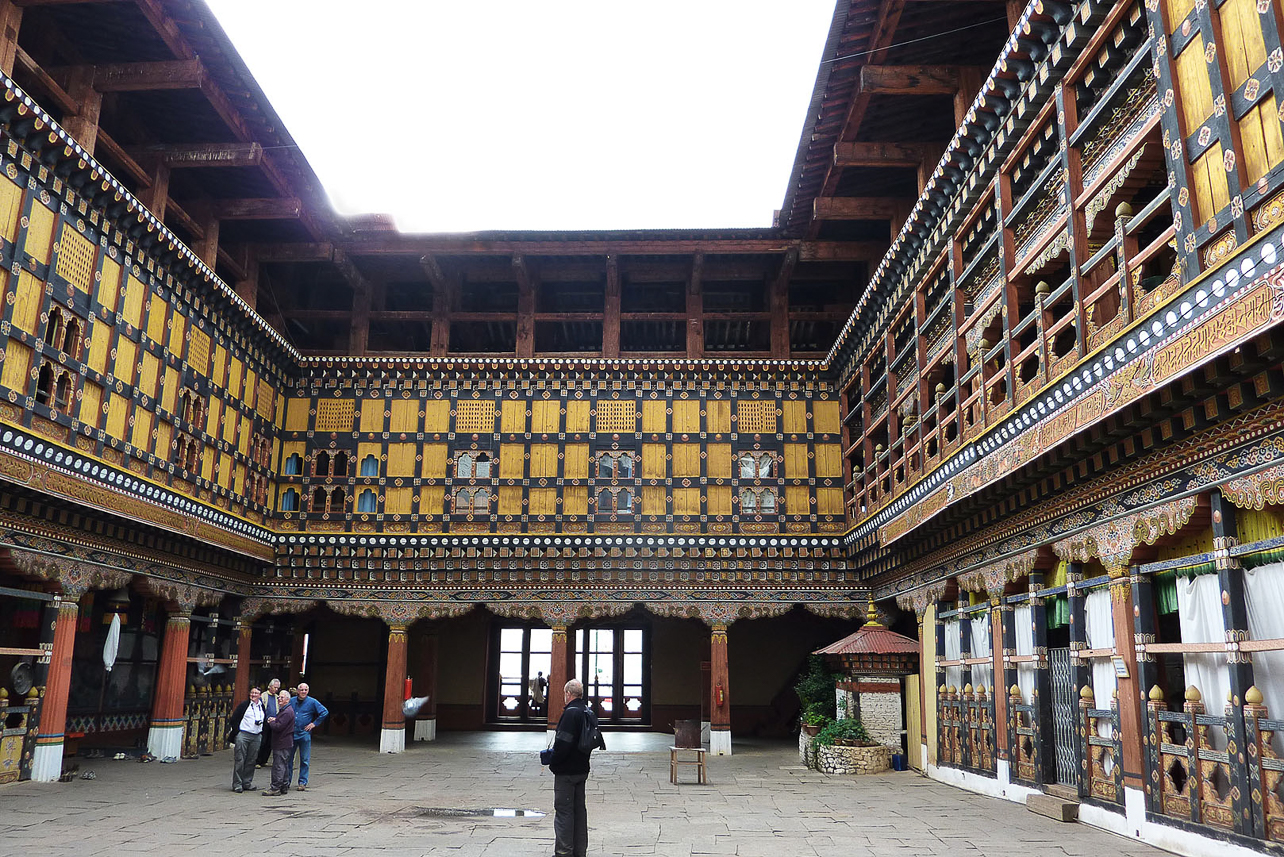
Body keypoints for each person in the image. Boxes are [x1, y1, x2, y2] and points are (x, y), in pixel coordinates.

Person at [544, 679, 605, 857]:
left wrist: (553, 762)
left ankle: (564, 852)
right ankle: (579, 851)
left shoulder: (570, 714)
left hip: (567, 772)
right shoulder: (587, 711)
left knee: (564, 812)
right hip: (582, 769)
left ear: (568, 694)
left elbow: (563, 743)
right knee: (579, 812)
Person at [287, 682, 329, 791]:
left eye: (305, 690)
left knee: (305, 759)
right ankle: (286, 781)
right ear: (297, 691)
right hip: (292, 734)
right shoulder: (291, 701)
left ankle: (302, 782)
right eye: (301, 690)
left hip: (304, 734)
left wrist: (314, 724)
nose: (303, 692)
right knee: (289, 759)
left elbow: (324, 712)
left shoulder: (312, 702)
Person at [226, 687, 264, 793]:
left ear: (260, 695)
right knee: (240, 760)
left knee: (251, 760)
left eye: (256, 693)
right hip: (243, 735)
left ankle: (247, 782)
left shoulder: (261, 706)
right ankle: (237, 784)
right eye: (252, 693)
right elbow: (234, 719)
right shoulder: (244, 705)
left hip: (256, 736)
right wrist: (238, 732)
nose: (253, 695)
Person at [262, 690, 295, 796]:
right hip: (285, 742)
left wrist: (271, 722)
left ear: (287, 700)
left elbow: (278, 727)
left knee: (278, 766)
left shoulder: (286, 712)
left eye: (282, 698)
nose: (279, 699)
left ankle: (275, 788)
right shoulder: (285, 710)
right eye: (279, 697)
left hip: (281, 742)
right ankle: (283, 786)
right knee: (284, 765)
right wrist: (275, 720)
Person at [256, 678, 281, 768]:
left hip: (274, 722)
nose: (276, 689)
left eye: (278, 688)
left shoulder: (277, 697)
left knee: (270, 742)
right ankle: (258, 760)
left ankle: (264, 760)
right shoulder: (264, 696)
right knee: (263, 741)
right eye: (275, 687)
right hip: (265, 722)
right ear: (270, 686)